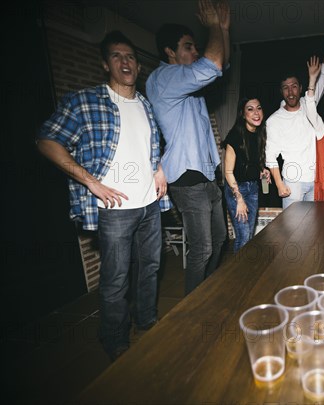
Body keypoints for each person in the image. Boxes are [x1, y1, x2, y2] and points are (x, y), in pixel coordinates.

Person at [37, 31, 170, 361]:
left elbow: (149, 149)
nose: (125, 62)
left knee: (150, 268)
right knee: (116, 279)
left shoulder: (145, 105)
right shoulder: (84, 101)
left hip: (149, 204)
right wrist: (91, 182)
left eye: (130, 57)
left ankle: (147, 321)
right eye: (116, 56)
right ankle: (115, 339)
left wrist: (159, 168)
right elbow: (47, 141)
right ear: (104, 63)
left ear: (138, 66)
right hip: (115, 209)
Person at [146, 0, 230, 295]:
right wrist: (212, 27)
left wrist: (223, 30)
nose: (195, 52)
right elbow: (213, 64)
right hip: (185, 178)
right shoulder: (165, 78)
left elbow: (219, 65)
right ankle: (192, 308)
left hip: (206, 175)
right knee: (202, 248)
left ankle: (206, 290)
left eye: (195, 47)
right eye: (188, 47)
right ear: (170, 51)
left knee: (219, 239)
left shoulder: (186, 83)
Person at [265, 27, 324, 209]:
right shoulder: (274, 120)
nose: (290, 92)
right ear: (281, 91)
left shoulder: (308, 102)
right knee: (293, 230)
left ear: (300, 87)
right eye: (286, 87)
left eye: (294, 86)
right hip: (292, 182)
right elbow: (270, 156)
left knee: (313, 227)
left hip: (315, 179)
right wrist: (280, 184)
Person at [222, 97, 270, 253]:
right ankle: (237, 275)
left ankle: (241, 271)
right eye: (250, 109)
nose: (256, 113)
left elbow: (252, 160)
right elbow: (228, 172)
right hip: (236, 189)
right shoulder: (235, 135)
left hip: (253, 188)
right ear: (243, 114)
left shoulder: (260, 133)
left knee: (249, 235)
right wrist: (239, 198)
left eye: (259, 108)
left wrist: (262, 170)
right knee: (243, 236)